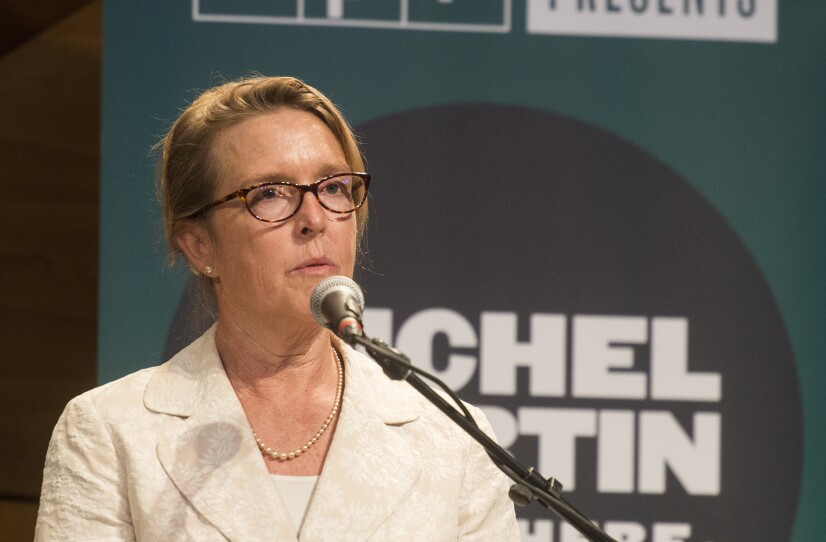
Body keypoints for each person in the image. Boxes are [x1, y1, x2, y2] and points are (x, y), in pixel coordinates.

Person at [35, 76, 520, 541]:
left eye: (333, 187)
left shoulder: (452, 437)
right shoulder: (111, 432)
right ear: (200, 246)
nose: (315, 219)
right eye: (269, 194)